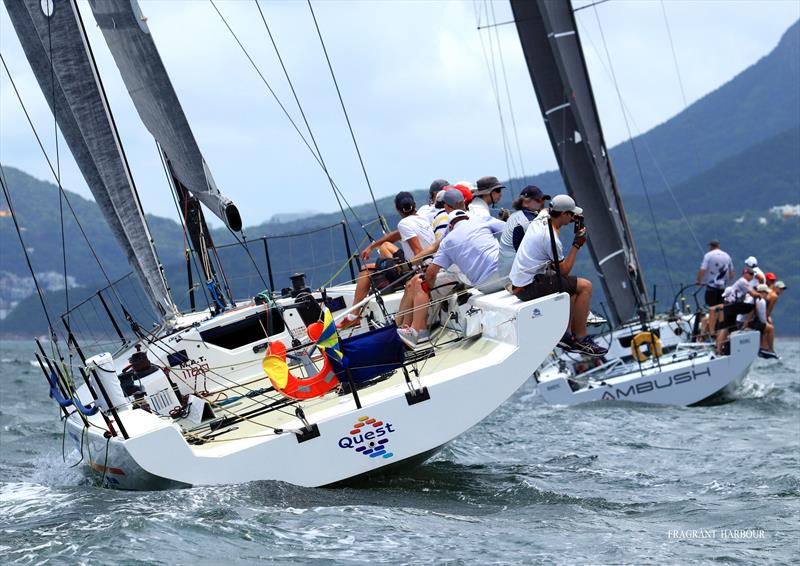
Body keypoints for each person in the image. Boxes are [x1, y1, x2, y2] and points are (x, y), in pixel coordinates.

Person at [397, 190, 506, 347]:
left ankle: (417, 332)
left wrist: (417, 271)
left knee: (420, 283)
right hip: (504, 273)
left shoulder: (449, 233)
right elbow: (508, 228)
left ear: (447, 207)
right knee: (415, 282)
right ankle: (407, 329)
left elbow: (435, 256)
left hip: (471, 278)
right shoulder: (479, 218)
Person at [509, 194, 606, 356]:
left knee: (571, 287)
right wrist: (577, 244)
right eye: (571, 214)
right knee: (585, 286)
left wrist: (572, 217)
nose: (573, 217)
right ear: (563, 214)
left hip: (520, 283)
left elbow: (548, 209)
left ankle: (567, 335)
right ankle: (582, 339)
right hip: (529, 287)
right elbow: (564, 270)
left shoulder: (542, 217)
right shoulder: (550, 238)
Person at [340, 191, 435, 328]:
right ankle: (355, 314)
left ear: (397, 209)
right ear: (414, 205)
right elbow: (394, 236)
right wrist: (372, 246)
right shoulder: (422, 218)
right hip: (428, 263)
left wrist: (405, 267)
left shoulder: (404, 223)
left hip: (415, 269)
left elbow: (418, 252)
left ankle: (354, 315)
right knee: (385, 246)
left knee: (365, 270)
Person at [497, 186, 550, 281]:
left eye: (543, 200)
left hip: (506, 276)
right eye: (538, 200)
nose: (542, 203)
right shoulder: (529, 221)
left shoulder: (514, 216)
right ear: (525, 202)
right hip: (516, 279)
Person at [711, 267, 758, 353]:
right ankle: (746, 324)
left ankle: (718, 348)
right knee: (753, 307)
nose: (752, 276)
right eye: (751, 274)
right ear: (745, 274)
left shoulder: (742, 282)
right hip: (732, 306)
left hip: (729, 306)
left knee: (728, 329)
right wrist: (760, 295)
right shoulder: (743, 281)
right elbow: (753, 293)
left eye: (753, 275)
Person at [742, 284, 777, 359]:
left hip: (740, 321)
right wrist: (767, 323)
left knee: (763, 327)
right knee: (770, 328)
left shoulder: (749, 297)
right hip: (747, 324)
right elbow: (762, 319)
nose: (767, 295)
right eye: (766, 293)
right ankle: (770, 349)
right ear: (762, 292)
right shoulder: (761, 301)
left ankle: (762, 346)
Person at [695, 239, 733, 307]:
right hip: (723, 288)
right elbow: (731, 272)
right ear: (718, 246)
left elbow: (702, 270)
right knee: (721, 307)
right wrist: (727, 283)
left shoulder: (708, 255)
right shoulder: (727, 256)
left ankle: (712, 317)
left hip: (711, 288)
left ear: (711, 246)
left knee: (711, 308)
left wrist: (698, 280)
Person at [763, 280, 787, 354]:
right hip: (762, 314)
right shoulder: (774, 296)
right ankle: (770, 349)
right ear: (775, 288)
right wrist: (767, 319)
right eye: (780, 289)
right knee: (770, 328)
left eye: (782, 289)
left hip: (760, 313)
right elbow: (769, 310)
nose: (781, 291)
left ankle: (765, 346)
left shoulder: (769, 292)